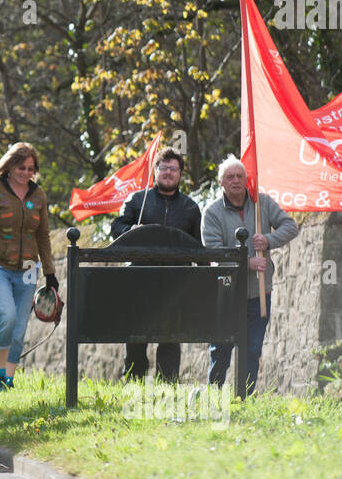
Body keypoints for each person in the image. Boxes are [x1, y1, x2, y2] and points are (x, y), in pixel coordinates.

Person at [201, 155, 299, 397]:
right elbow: (214, 252)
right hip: (226, 294)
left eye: (240, 176)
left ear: (247, 179)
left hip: (259, 293)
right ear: (221, 182)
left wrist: (268, 239)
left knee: (252, 349)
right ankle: (214, 398)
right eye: (230, 177)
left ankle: (243, 398)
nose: (235, 181)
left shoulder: (262, 204)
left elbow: (290, 226)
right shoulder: (211, 213)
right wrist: (246, 262)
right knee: (221, 350)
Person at [110, 147, 201, 382]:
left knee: (170, 338)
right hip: (139, 281)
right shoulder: (137, 200)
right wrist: (131, 230)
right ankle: (133, 384)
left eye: (173, 169)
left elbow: (200, 247)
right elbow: (116, 229)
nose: (168, 173)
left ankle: (167, 386)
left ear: (180, 174)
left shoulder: (191, 208)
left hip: (176, 284)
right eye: (164, 168)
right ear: (155, 171)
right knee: (136, 338)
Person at [0, 142, 58, 392]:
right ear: (9, 166)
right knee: (6, 315)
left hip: (28, 268)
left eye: (31, 168)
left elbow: (43, 235)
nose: (26, 173)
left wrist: (50, 272)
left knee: (19, 328)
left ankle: (8, 380)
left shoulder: (38, 195)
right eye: (21, 167)